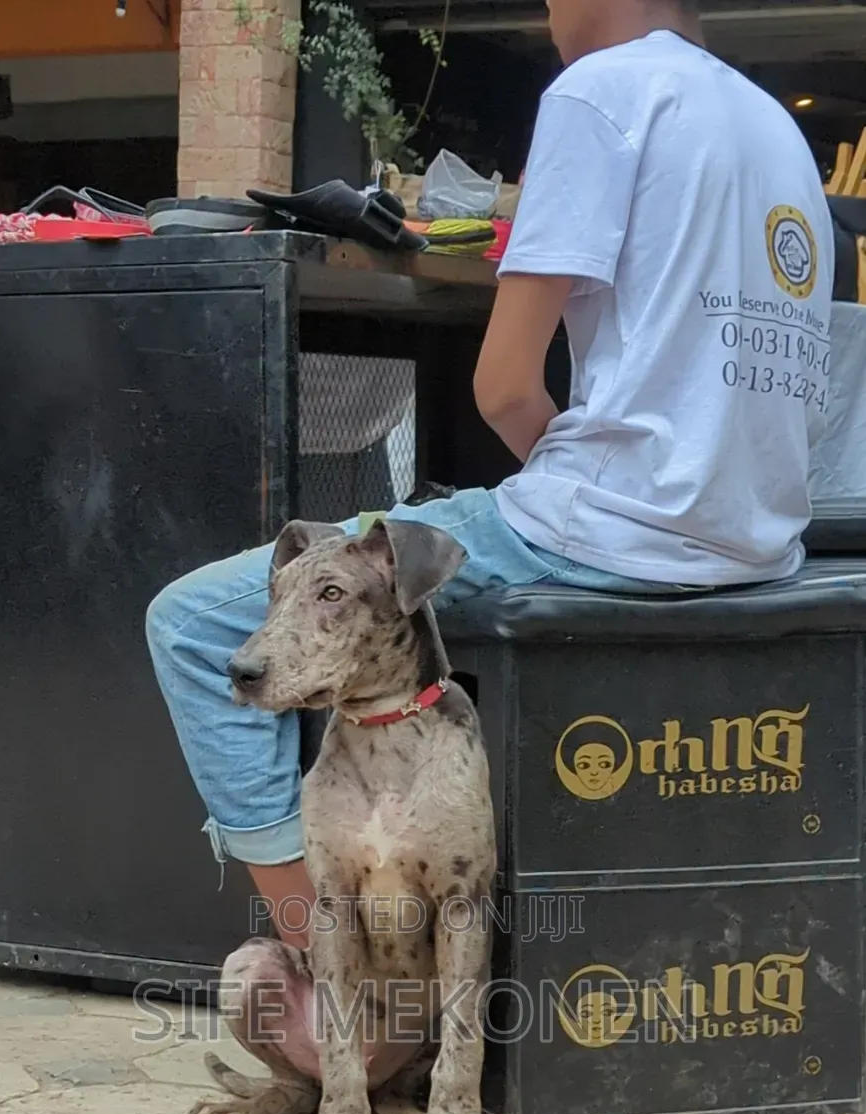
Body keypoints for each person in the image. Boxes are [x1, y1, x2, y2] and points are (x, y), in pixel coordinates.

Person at [147, 0, 833, 946]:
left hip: (613, 531)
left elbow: (505, 388)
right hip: (757, 542)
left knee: (190, 623)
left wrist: (580, 480)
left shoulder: (602, 90)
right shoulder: (776, 126)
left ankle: (333, 972)